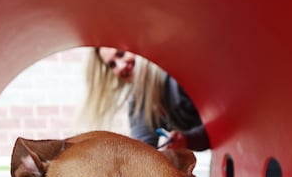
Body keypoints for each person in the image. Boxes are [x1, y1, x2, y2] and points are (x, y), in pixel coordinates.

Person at [82, 47, 210, 152]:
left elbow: (220, 126)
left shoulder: (176, 78)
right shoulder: (139, 101)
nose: (120, 67)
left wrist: (188, 139)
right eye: (112, 64)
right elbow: (142, 150)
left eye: (121, 54)